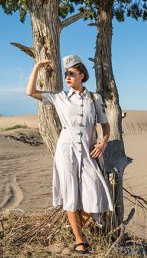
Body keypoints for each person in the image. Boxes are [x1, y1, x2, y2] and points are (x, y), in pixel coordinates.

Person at [26, 54, 113, 254]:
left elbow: (105, 126)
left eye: (71, 74)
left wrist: (103, 143)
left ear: (82, 75)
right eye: (66, 74)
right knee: (70, 194)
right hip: (66, 150)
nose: (68, 77)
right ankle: (78, 239)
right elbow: (30, 92)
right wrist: (38, 66)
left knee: (95, 195)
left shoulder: (94, 98)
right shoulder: (59, 97)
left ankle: (75, 228)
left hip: (88, 151)